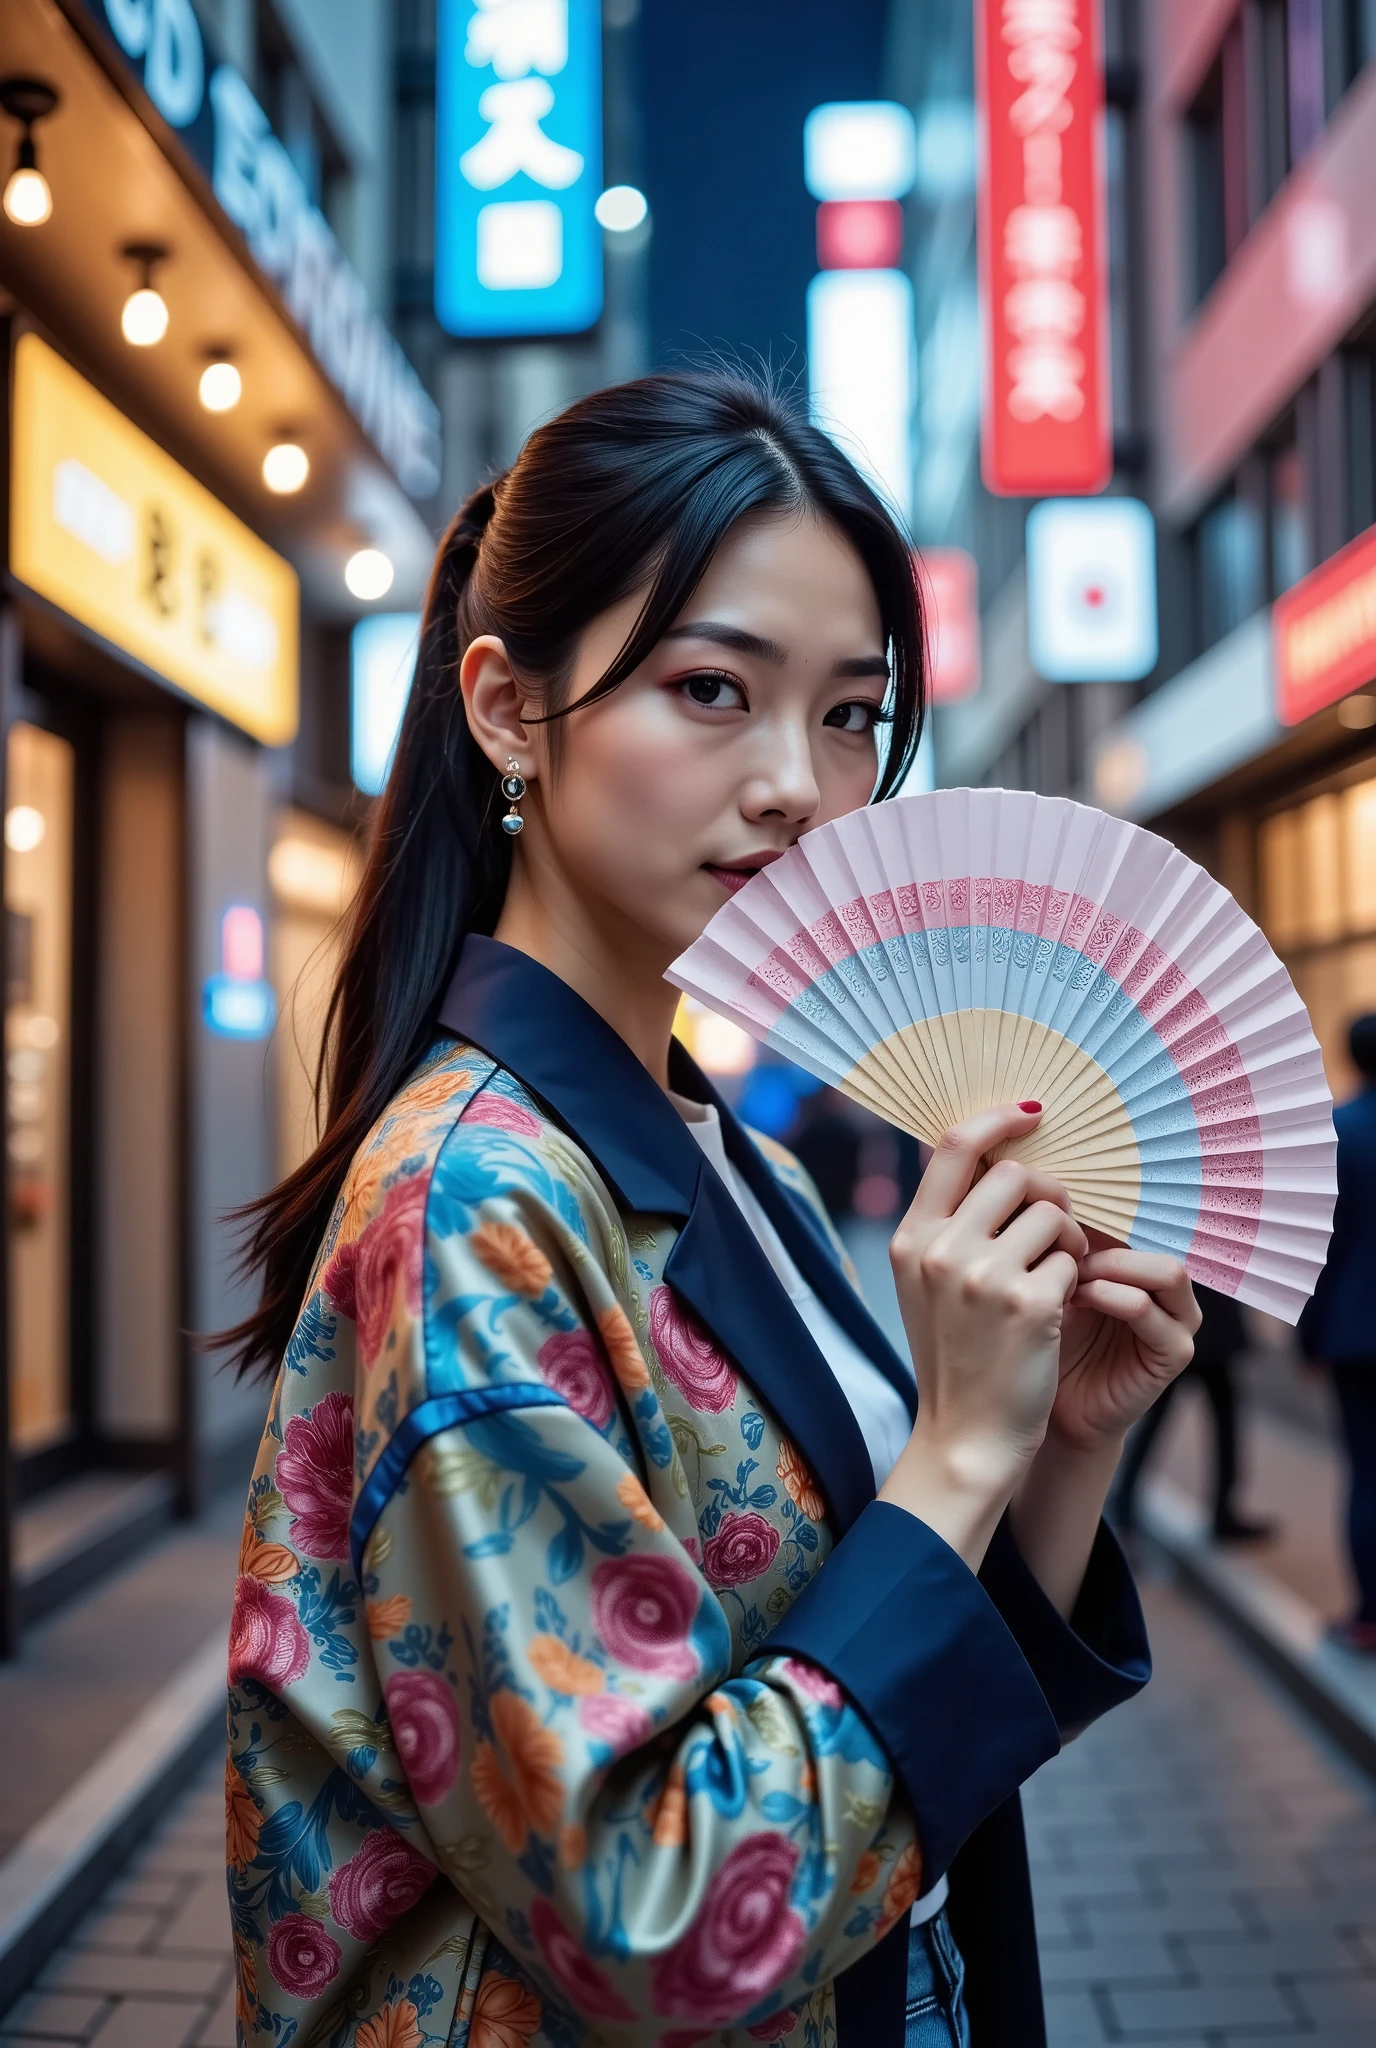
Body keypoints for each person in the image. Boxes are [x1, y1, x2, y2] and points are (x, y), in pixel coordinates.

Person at [222, 369, 1199, 2048]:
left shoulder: (727, 1149)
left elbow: (924, 1710)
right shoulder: (471, 1208)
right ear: (509, 707)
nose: (798, 787)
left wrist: (1057, 1443)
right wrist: (953, 1450)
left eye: (847, 714)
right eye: (711, 688)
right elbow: (649, 1924)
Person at [1299, 1013, 1376, 1654]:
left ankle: (1370, 1616)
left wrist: (1309, 1340)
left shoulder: (1341, 1131)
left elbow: (1321, 1247)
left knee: (1367, 1473)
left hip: (1355, 1332)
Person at [1113, 1285, 1274, 1543]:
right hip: (1193, 1318)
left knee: (1206, 1417)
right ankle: (1124, 1505)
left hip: (1197, 1319)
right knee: (1167, 1417)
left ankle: (1124, 1504)